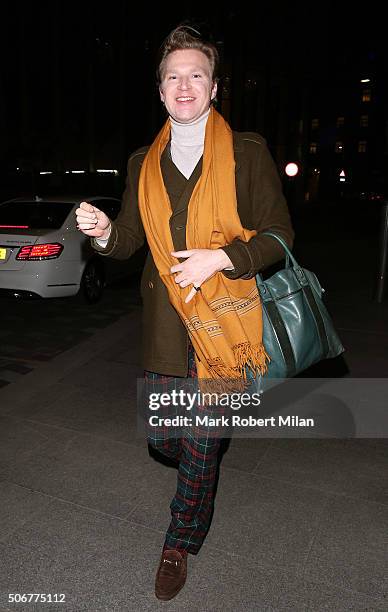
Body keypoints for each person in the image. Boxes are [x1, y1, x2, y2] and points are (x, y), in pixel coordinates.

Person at [75, 24, 294, 601]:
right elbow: (127, 240)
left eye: (197, 74)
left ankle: (178, 542)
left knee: (199, 440)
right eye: (173, 76)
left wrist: (222, 256)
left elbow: (280, 236)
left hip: (229, 323)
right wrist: (102, 233)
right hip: (169, 325)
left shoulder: (247, 151)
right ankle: (202, 452)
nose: (185, 84)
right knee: (164, 438)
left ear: (215, 87)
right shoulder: (142, 162)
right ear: (161, 89)